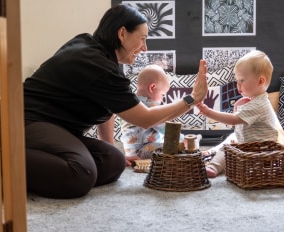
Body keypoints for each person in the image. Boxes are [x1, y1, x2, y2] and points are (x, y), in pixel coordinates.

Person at [23, 4, 208, 199]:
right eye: (142, 39)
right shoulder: (96, 64)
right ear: (122, 34)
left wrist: (108, 148)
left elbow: (109, 107)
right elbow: (144, 119)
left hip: (58, 128)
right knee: (81, 174)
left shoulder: (95, 52)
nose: (145, 48)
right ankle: (2, 164)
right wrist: (191, 99)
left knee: (113, 161)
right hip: (27, 121)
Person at [197, 50, 284, 178]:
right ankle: (211, 152)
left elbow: (233, 120)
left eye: (242, 80)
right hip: (250, 143)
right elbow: (241, 124)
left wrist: (208, 112)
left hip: (258, 150)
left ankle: (213, 166)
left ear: (260, 82)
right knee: (231, 138)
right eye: (237, 80)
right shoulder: (258, 100)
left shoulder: (257, 105)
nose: (237, 85)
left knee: (227, 148)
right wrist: (237, 106)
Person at [120, 64, 185, 166]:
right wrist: (182, 139)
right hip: (142, 150)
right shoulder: (149, 105)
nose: (162, 98)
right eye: (162, 94)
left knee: (163, 142)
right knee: (175, 149)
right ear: (152, 87)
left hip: (130, 151)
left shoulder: (131, 103)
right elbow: (165, 128)